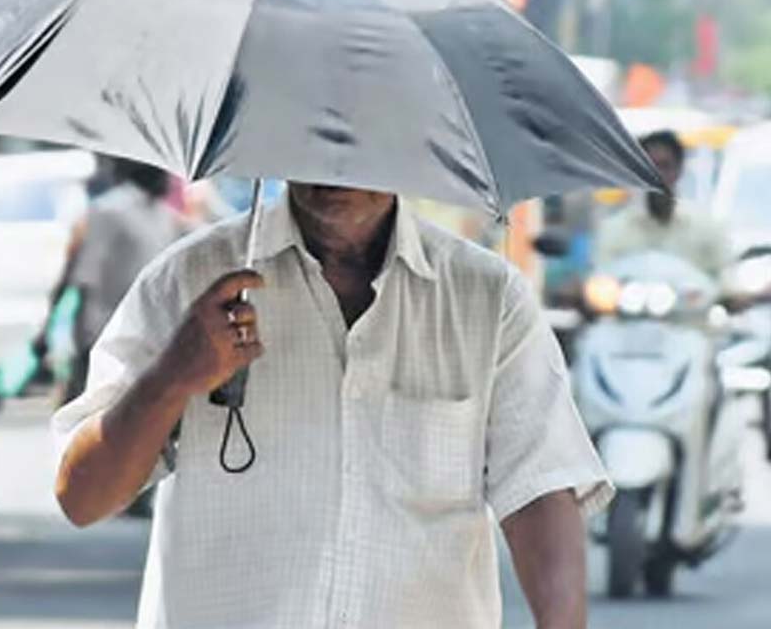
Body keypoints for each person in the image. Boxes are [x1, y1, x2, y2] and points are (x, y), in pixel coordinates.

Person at [54, 183, 611, 628]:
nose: (335, 160)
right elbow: (83, 497)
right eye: (314, 130)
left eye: (359, 136)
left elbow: (539, 491)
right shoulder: (187, 280)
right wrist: (172, 377)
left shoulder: (488, 300)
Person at [44, 158, 185, 405]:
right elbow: (85, 277)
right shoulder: (110, 210)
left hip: (149, 339)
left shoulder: (163, 214)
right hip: (105, 336)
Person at [596, 130, 732, 279]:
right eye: (647, 167)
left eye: (664, 166)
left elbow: (725, 275)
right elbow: (601, 278)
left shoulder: (707, 226)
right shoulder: (614, 230)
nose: (656, 175)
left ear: (679, 169)